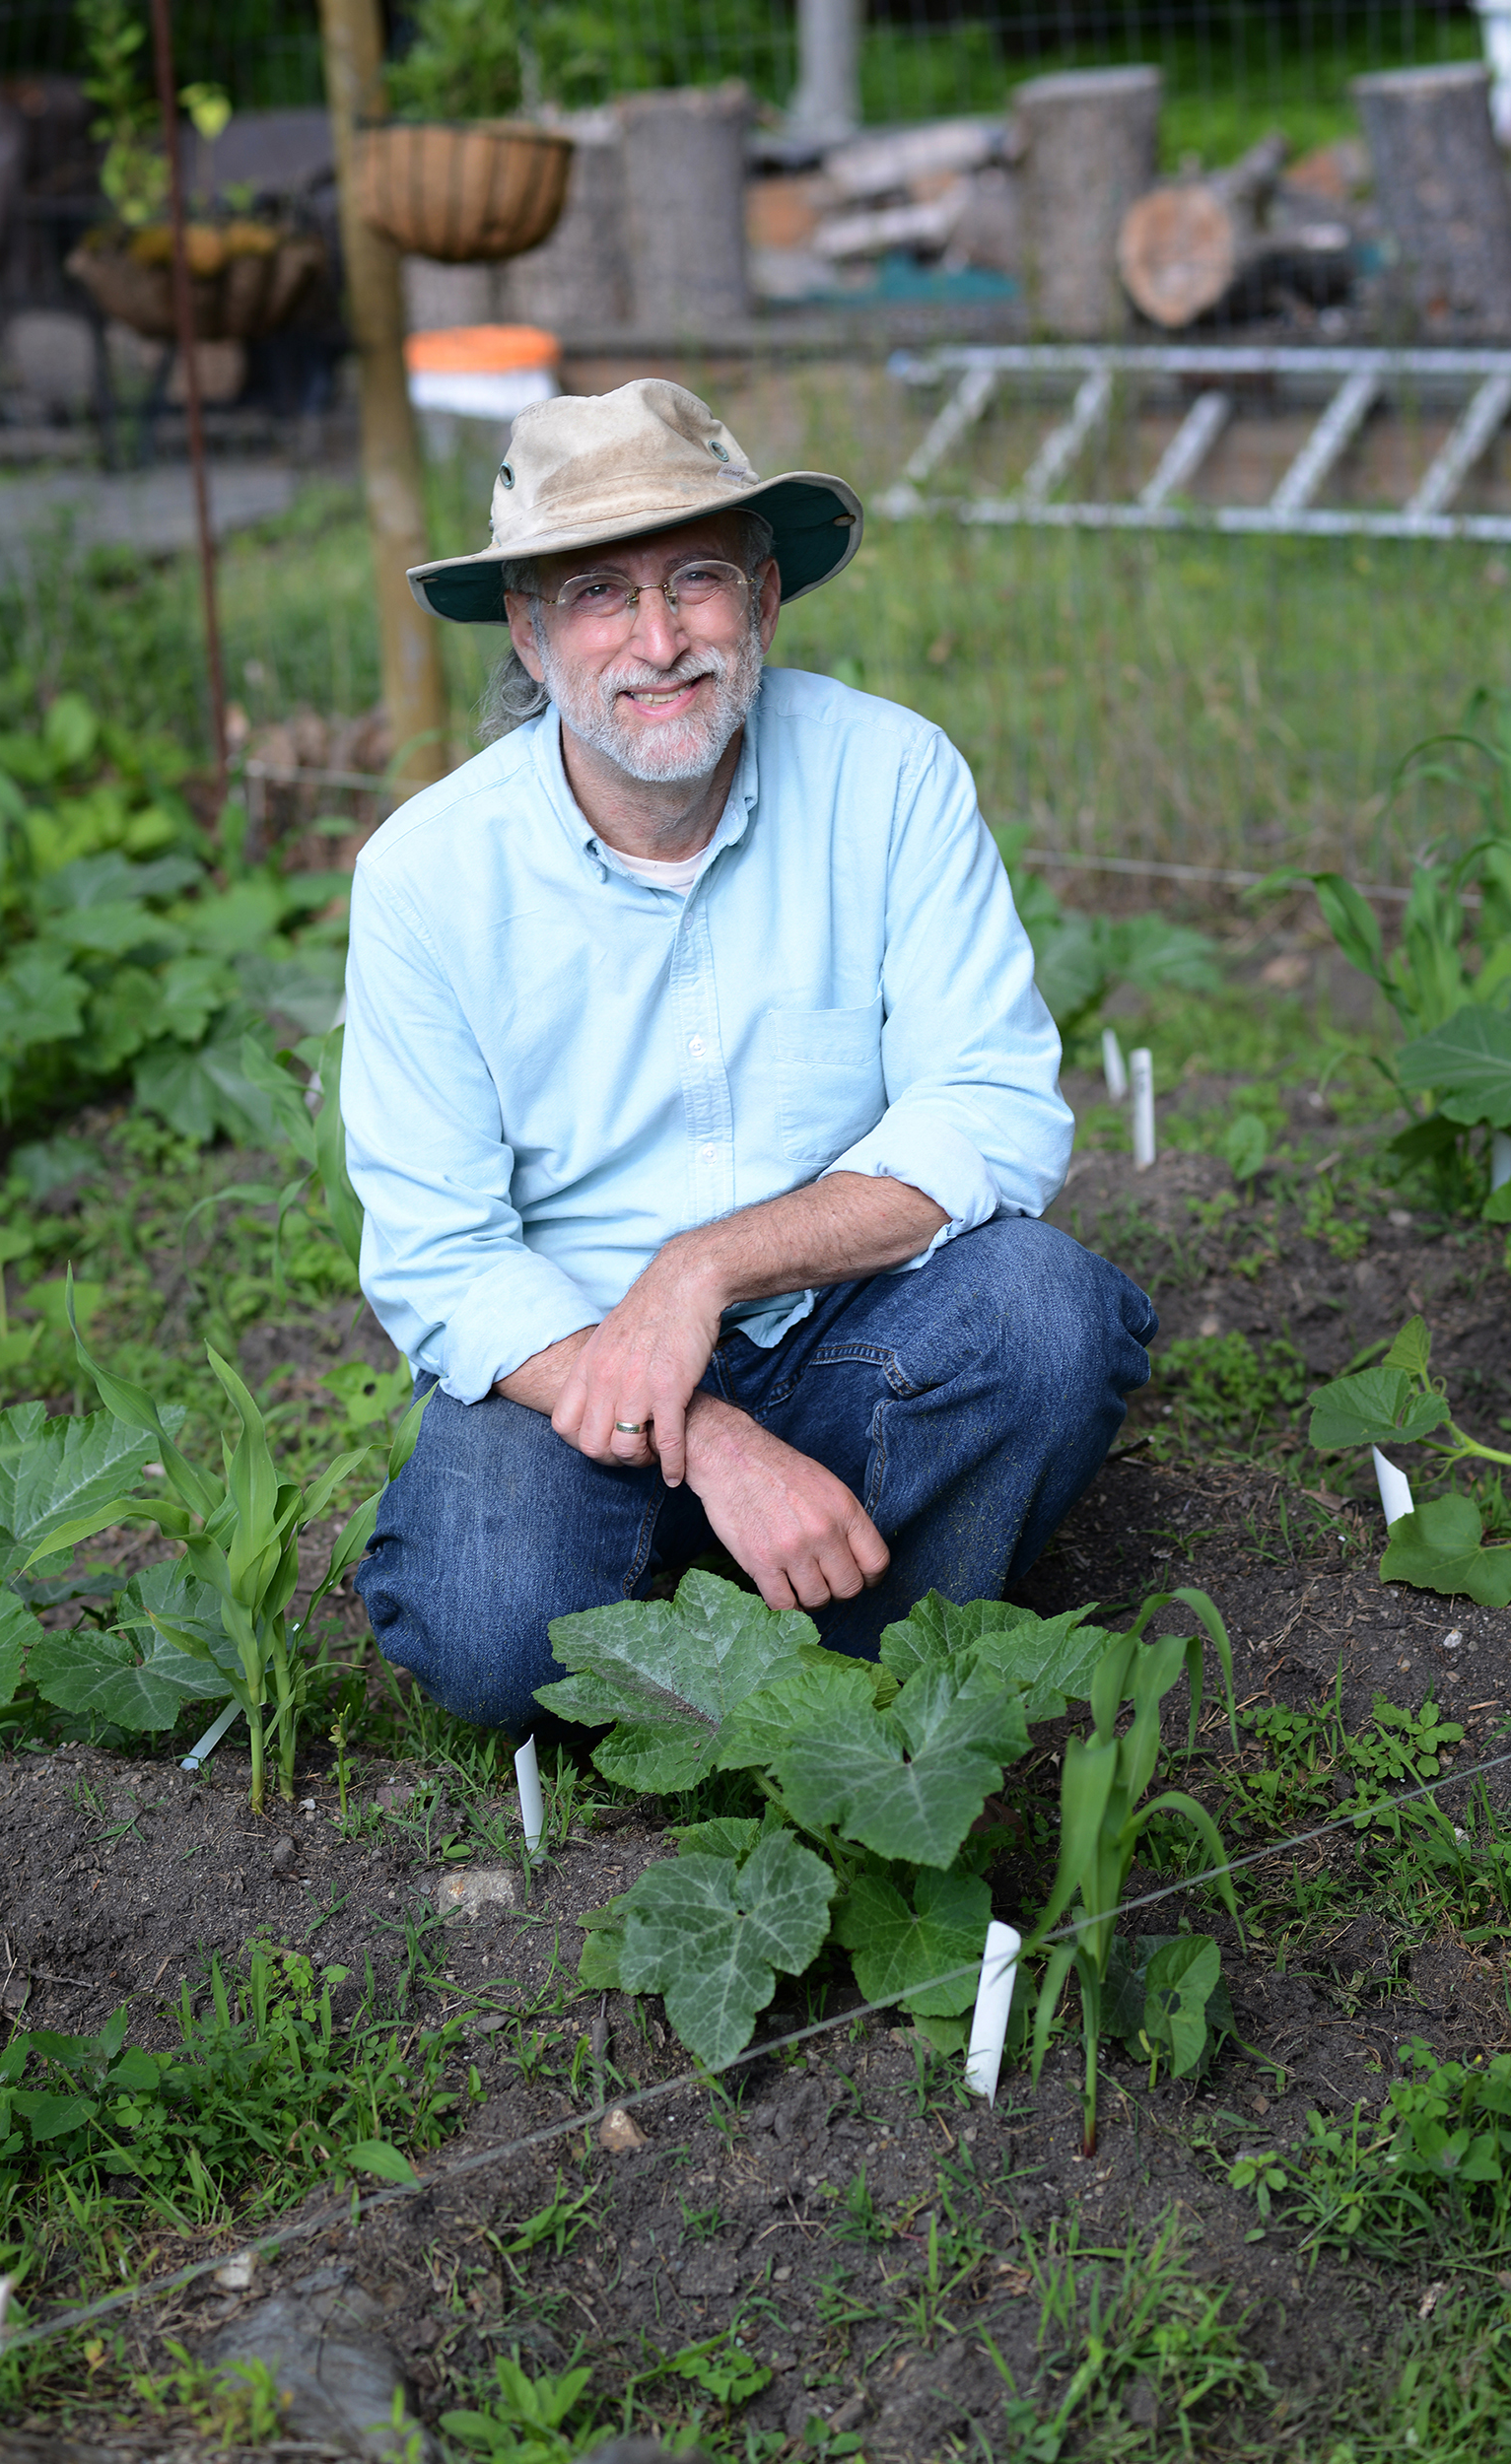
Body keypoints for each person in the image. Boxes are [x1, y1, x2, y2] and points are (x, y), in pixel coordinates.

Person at [343, 378, 1154, 1736]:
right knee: (488, 1636)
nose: (659, 639)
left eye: (697, 580)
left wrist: (705, 1268)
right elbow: (439, 1252)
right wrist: (698, 1421)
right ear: (533, 641)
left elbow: (997, 1109)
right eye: (600, 594)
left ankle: (853, 1666)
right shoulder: (427, 876)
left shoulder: (893, 777)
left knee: (1045, 1312)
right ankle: (731, 1543)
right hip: (575, 1372)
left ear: (765, 603)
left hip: (837, 1331)